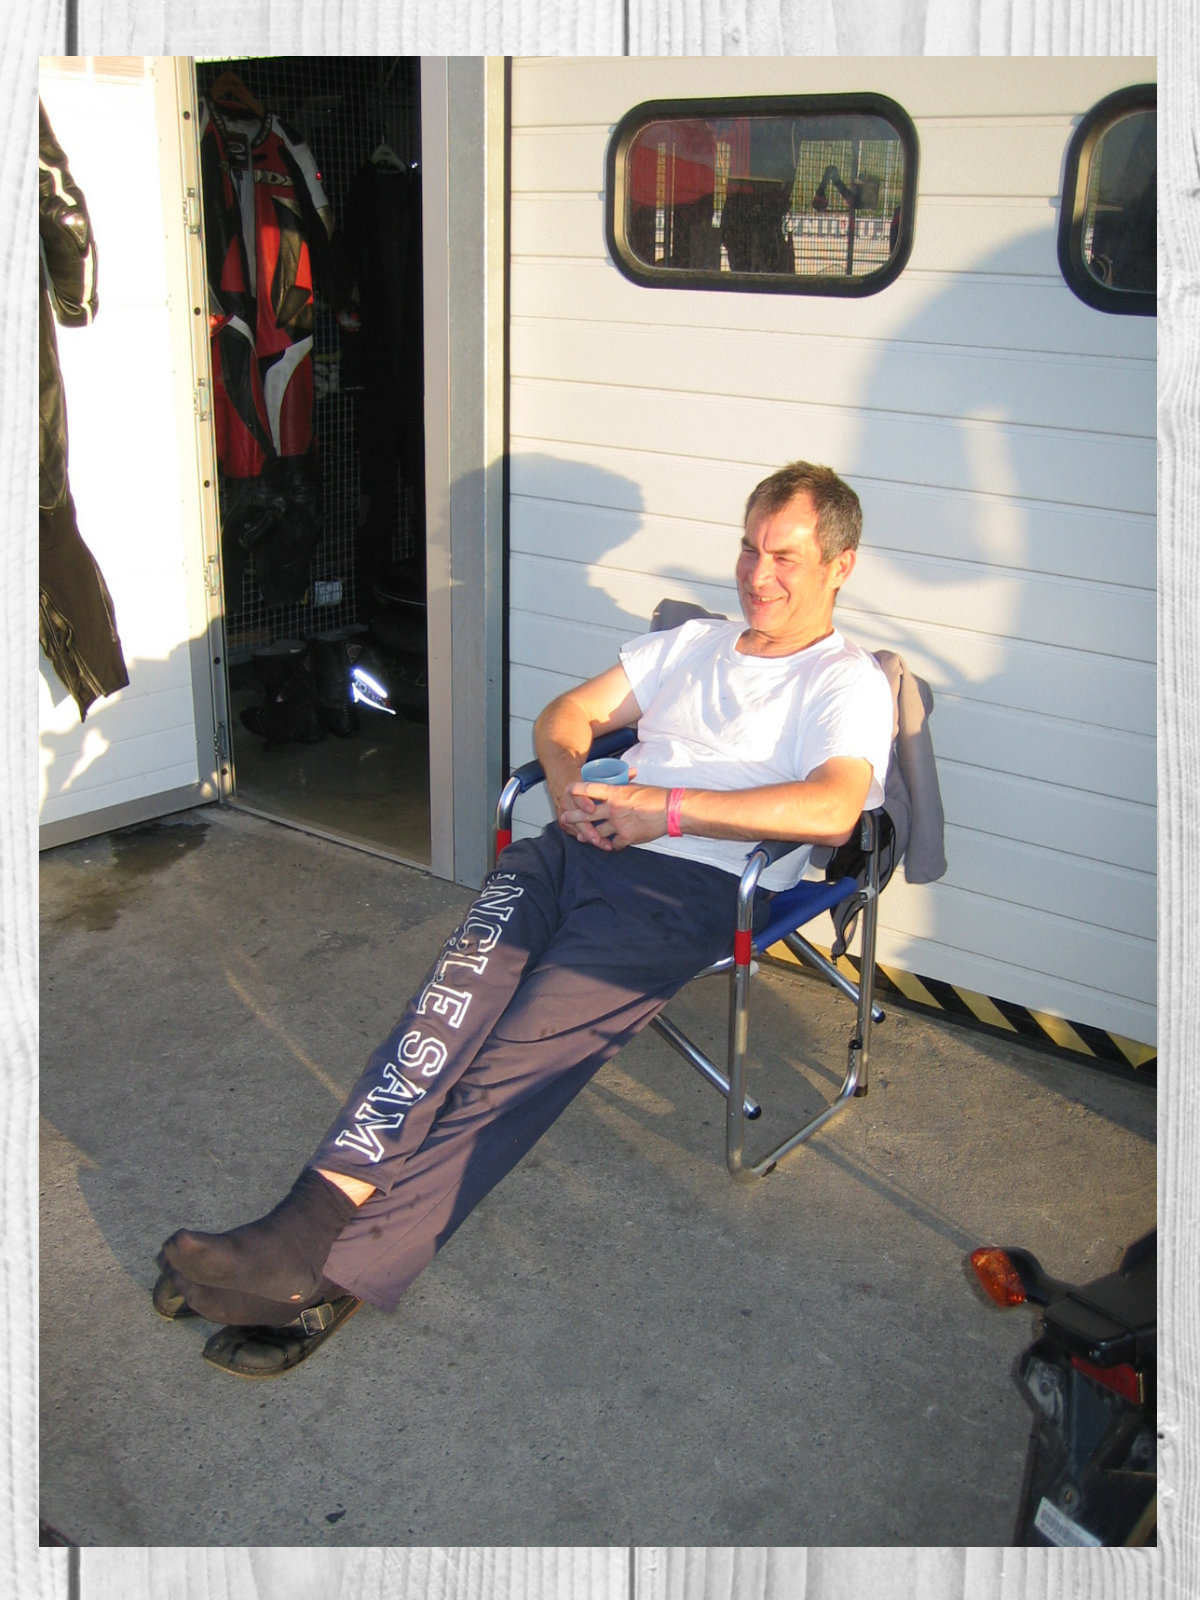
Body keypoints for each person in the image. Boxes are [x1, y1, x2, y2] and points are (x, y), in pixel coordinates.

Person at [154, 460, 895, 1377]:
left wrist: (662, 812)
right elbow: (569, 713)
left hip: (688, 890)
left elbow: (833, 809)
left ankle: (329, 1277)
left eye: (784, 557)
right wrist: (569, 785)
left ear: (841, 565)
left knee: (508, 1067)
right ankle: (300, 1226)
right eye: (748, 548)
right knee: (442, 1018)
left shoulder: (844, 681)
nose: (757, 575)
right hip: (575, 850)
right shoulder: (695, 643)